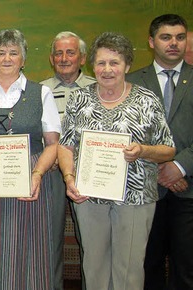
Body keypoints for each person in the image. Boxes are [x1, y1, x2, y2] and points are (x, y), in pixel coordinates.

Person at [58, 32, 176, 290]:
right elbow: (65, 146)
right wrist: (69, 177)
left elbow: (168, 149)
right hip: (89, 197)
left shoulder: (146, 100)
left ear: (127, 65)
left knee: (129, 268)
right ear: (92, 66)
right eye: (101, 63)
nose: (107, 69)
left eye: (115, 62)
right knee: (94, 266)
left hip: (135, 199)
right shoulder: (79, 100)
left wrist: (143, 150)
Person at [0, 29, 61, 289]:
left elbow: (53, 145)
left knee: (31, 248)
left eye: (14, 53)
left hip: (29, 178)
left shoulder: (42, 93)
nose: (7, 58)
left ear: (23, 59)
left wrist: (37, 174)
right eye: (1, 52)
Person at [126, 14, 193, 290]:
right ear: (152, 41)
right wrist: (158, 169)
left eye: (180, 37)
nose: (174, 43)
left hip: (188, 190)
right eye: (166, 37)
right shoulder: (130, 81)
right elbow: (124, 135)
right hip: (144, 190)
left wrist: (179, 166)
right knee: (146, 268)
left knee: (187, 270)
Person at [39, 31, 96, 290]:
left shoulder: (97, 89)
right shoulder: (40, 91)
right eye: (59, 53)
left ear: (82, 58)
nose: (64, 58)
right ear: (51, 59)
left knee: (92, 242)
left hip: (87, 176)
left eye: (70, 52)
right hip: (50, 173)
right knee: (49, 241)